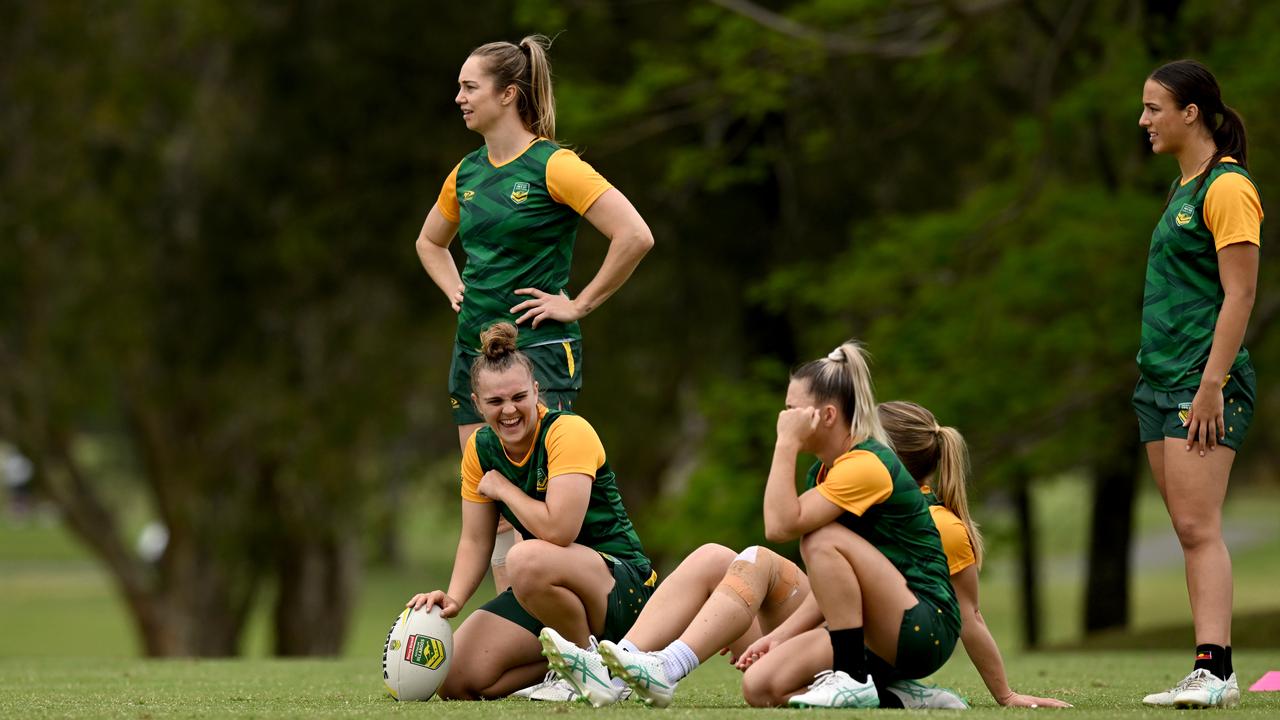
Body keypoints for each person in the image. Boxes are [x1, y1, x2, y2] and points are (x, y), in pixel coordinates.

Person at [414, 35, 654, 589]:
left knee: (540, 508)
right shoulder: (466, 174)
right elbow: (430, 243)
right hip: (472, 353)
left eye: (469, 87)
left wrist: (581, 302)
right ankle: (514, 646)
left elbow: (634, 234)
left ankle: (572, 632)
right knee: (489, 506)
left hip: (539, 350)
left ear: (509, 94)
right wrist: (458, 292)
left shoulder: (555, 166)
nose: (459, 98)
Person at [405, 323, 656, 700]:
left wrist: (503, 487)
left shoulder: (568, 431)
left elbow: (559, 531)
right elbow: (475, 539)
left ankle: (590, 671)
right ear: (477, 403)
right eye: (495, 402)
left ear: (537, 391)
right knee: (456, 679)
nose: (509, 410)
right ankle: (578, 668)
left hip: (621, 585)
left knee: (524, 559)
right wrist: (454, 598)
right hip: (546, 587)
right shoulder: (480, 448)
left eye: (519, 397)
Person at [1133, 59, 1261, 710]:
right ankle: (1206, 669)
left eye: (1155, 108)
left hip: (1202, 383)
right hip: (1158, 382)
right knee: (1186, 527)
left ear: (1191, 113)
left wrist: (1211, 384)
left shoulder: (1227, 187)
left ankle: (1215, 671)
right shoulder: (1184, 187)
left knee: (1196, 525)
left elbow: (1240, 295)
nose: (1143, 120)